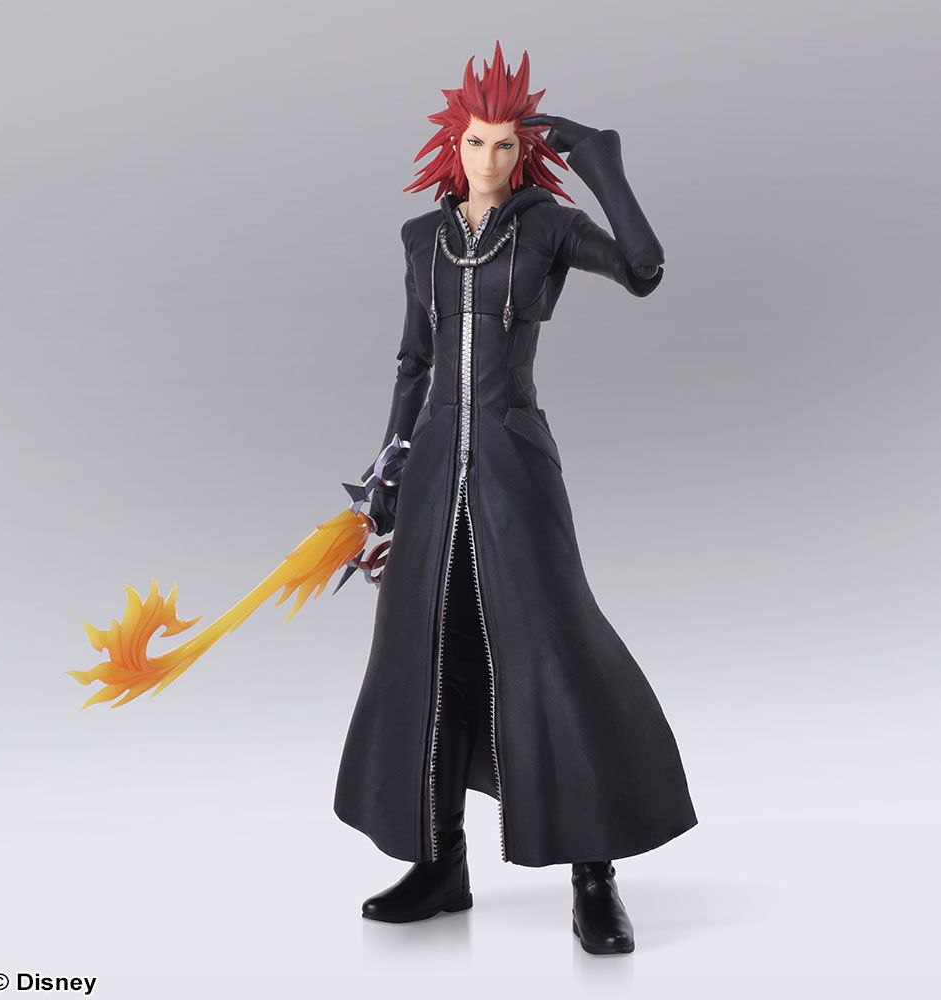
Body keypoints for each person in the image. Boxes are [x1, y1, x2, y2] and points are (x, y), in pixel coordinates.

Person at [333, 41, 697, 955]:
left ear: (522, 152)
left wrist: (601, 161)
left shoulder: (548, 230)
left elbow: (645, 269)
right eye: (475, 142)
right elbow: (414, 363)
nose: (489, 159)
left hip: (516, 465)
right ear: (451, 145)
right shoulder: (421, 240)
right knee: (427, 655)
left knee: (553, 649)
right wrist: (386, 473)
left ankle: (594, 876)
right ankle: (440, 863)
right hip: (430, 478)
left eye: (505, 144)